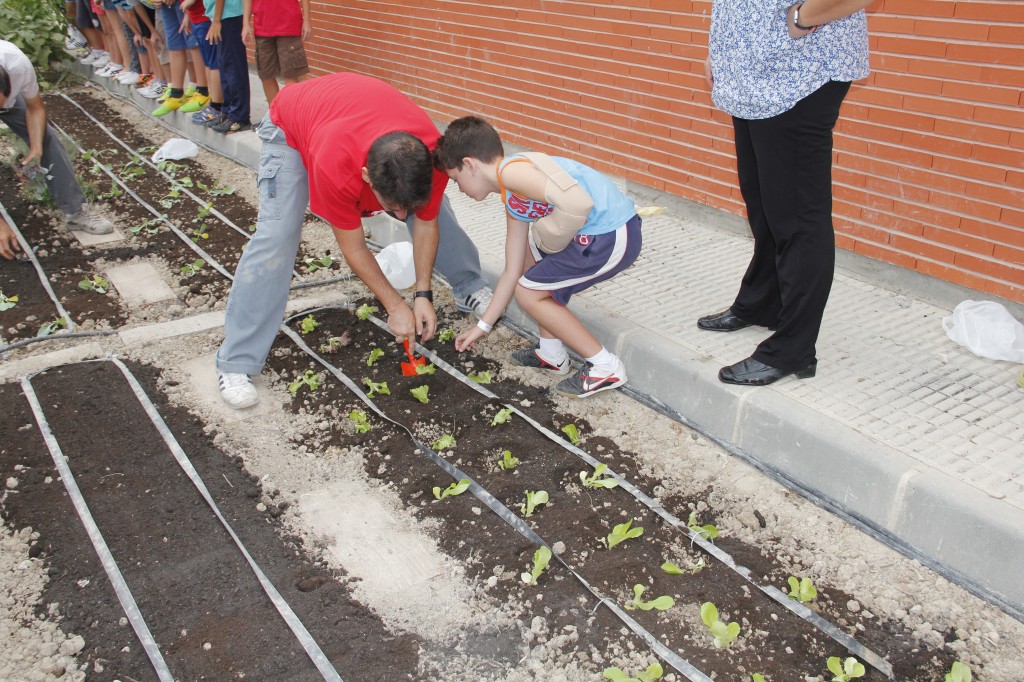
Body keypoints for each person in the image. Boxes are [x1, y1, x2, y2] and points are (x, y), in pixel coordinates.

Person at [215, 73, 493, 408]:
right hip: (291, 125)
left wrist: (423, 294)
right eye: (392, 206)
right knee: (277, 236)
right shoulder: (334, 165)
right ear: (365, 177)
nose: (400, 215)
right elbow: (354, 246)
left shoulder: (431, 156)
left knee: (434, 210)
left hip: (352, 114)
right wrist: (395, 305)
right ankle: (236, 361)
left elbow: (425, 222)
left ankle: (468, 285)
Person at [699, 0, 870, 386]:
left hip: (799, 71)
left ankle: (793, 350)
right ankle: (763, 302)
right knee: (763, 204)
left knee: (797, 218)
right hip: (752, 71)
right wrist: (723, 51)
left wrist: (800, 19)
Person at [435, 116, 642, 399]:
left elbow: (578, 203)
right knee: (528, 262)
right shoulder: (512, 195)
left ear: (470, 165)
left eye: (455, 180)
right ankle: (551, 354)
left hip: (611, 233)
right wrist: (482, 327)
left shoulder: (513, 172)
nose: (459, 189)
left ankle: (605, 366)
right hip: (600, 233)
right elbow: (512, 269)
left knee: (529, 292)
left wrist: (553, 239)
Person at [0, 42, 114, 235]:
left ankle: (76, 211)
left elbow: (35, 108)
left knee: (46, 136)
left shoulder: (17, 65)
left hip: (12, 98)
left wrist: (36, 147)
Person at [241, 0, 311, 105]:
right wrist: (246, 23)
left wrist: (307, 21)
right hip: (262, 26)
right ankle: (274, 112)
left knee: (290, 74)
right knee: (266, 75)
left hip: (288, 25)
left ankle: (291, 113)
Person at [203, 0, 250, 133]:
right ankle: (228, 111)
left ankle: (239, 116)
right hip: (221, 16)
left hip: (228, 16)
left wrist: (216, 20)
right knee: (224, 67)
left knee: (233, 68)